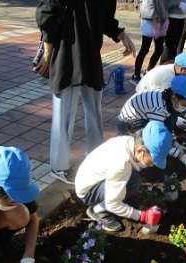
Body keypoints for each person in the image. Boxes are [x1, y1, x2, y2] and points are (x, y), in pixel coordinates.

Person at [34, 0, 136, 184]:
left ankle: (96, 159)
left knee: (94, 113)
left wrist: (121, 34)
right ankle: (58, 166)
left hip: (90, 56)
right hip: (66, 53)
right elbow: (46, 12)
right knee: (63, 116)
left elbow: (105, 18)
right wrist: (47, 51)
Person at [75, 121, 173, 232]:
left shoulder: (130, 142)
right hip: (89, 191)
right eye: (151, 162)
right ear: (141, 150)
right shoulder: (122, 163)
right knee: (134, 182)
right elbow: (112, 204)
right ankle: (96, 210)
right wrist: (142, 216)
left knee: (133, 179)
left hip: (93, 176)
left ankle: (118, 196)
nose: (152, 165)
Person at [118, 75, 186, 170]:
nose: (185, 107)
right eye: (185, 104)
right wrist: (181, 156)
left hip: (143, 116)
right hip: (129, 125)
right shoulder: (159, 109)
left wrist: (175, 143)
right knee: (152, 144)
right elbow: (156, 140)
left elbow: (163, 130)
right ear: (175, 97)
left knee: (172, 116)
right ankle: (140, 162)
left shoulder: (166, 97)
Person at [136, 52, 186, 130]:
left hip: (157, 96)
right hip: (146, 100)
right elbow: (166, 102)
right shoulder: (168, 77)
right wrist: (177, 120)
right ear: (182, 69)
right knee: (170, 120)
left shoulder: (178, 73)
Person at [130, 0, 168, 86]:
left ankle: (148, 71)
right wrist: (155, 26)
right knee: (145, 49)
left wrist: (166, 18)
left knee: (159, 49)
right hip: (149, 21)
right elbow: (149, 5)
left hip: (160, 20)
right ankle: (136, 76)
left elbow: (165, 3)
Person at [160, 0, 186, 64]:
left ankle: (171, 67)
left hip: (182, 17)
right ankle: (163, 67)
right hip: (171, 17)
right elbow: (165, 3)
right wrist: (179, 4)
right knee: (169, 46)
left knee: (175, 46)